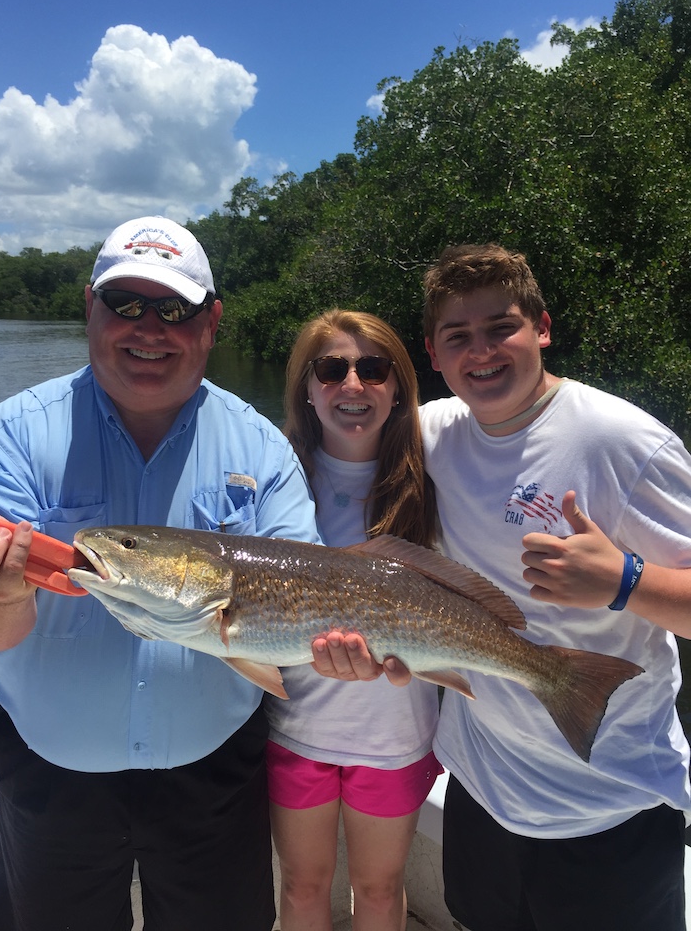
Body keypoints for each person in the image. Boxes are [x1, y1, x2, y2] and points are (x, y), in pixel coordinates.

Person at [316, 242, 691, 931]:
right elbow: (336, 468)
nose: (481, 351)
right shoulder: (432, 433)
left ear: (542, 328)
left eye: (502, 328)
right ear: (433, 353)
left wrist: (624, 581)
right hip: (481, 796)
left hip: (609, 807)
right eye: (459, 336)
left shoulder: (622, 443)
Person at [0, 215, 322, 931]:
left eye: (175, 308)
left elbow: (304, 614)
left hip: (216, 782)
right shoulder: (8, 437)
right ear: (90, 309)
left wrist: (355, 652)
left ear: (213, 320)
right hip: (52, 783)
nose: (149, 328)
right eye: (125, 303)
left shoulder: (264, 449)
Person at [265, 309, 442, 931]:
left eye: (373, 369)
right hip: (295, 728)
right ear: (306, 389)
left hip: (395, 735)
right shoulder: (271, 479)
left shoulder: (433, 479)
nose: (353, 386)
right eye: (331, 370)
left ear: (398, 389)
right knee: (303, 888)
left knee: (379, 888)